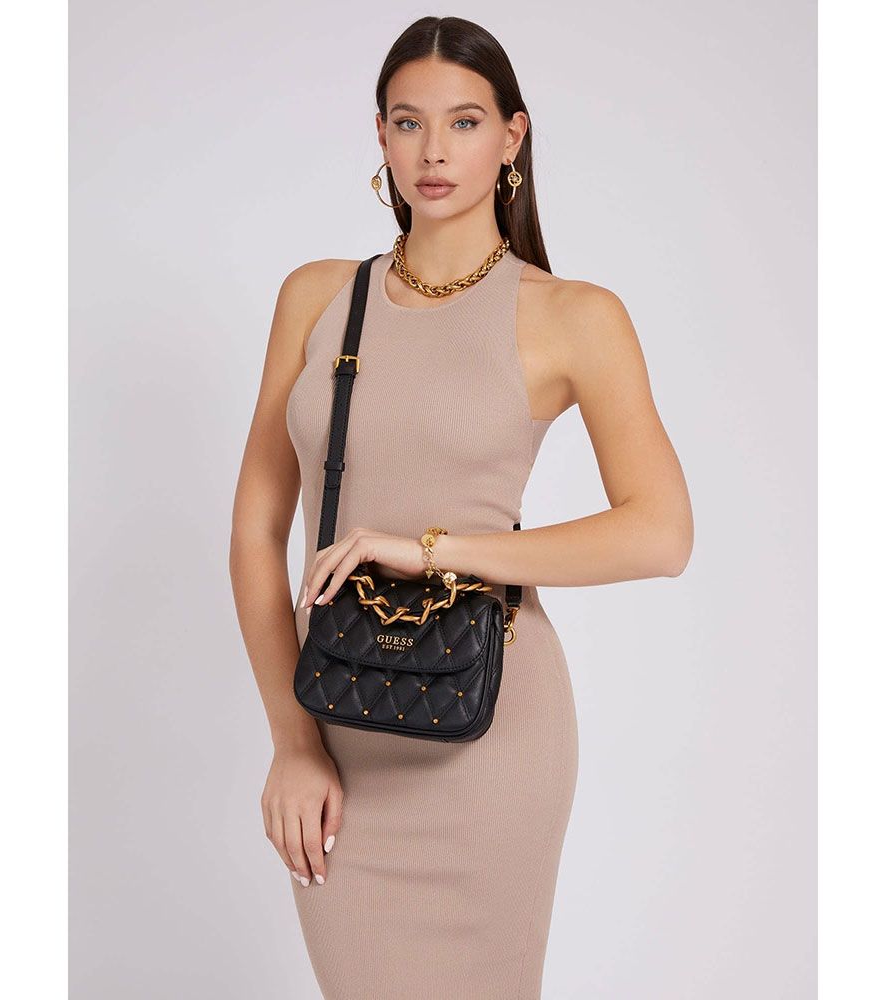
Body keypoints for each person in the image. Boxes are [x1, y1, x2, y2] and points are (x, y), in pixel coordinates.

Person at [229, 14, 693, 1000]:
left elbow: (660, 532)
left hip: (493, 731)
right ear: (380, 136)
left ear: (512, 136)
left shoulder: (572, 315)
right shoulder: (318, 298)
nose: (433, 150)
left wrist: (433, 547)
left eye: (465, 122)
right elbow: (255, 533)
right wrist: (292, 742)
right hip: (339, 727)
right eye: (408, 122)